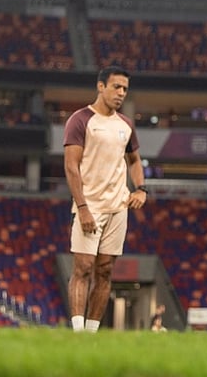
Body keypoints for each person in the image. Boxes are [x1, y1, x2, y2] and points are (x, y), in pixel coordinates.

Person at [63, 66, 148, 333]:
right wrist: (83, 208)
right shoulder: (80, 120)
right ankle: (77, 333)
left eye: (125, 88)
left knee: (105, 271)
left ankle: (91, 333)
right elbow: (71, 167)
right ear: (101, 87)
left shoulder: (126, 125)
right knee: (83, 268)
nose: (121, 93)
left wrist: (141, 189)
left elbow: (134, 160)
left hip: (118, 207)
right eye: (116, 87)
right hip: (90, 205)